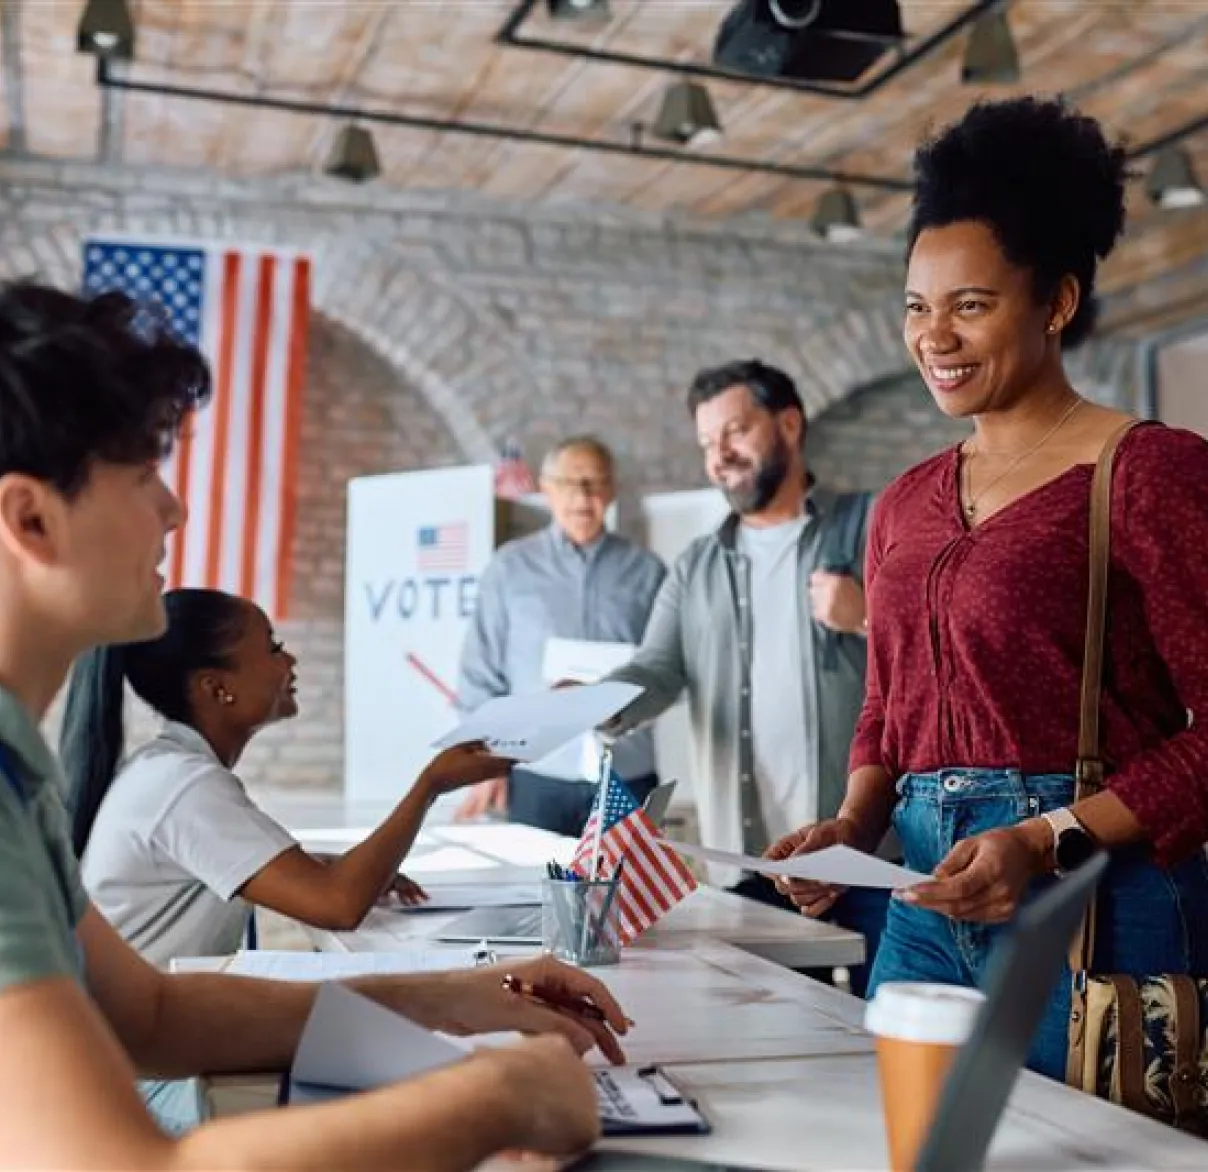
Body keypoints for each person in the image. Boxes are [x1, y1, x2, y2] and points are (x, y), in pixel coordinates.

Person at [0, 282, 625, 1169]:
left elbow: (152, 1015)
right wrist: (500, 1095)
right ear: (31, 517)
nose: (174, 511)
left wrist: (468, 996)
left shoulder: (16, 771)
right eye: (144, 477)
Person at [769, 96, 1208, 1083]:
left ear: (1053, 302)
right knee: (906, 1138)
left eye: (969, 303)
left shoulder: (1143, 472)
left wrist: (1041, 835)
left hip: (1097, 902)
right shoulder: (904, 501)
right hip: (922, 897)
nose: (934, 335)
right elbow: (888, 704)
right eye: (917, 307)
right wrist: (849, 823)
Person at [601, 359, 889, 996]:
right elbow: (657, 667)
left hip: (869, 849)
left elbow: (937, 647)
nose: (720, 455)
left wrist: (865, 613)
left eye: (734, 432)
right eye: (707, 443)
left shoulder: (872, 523)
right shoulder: (698, 564)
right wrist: (597, 701)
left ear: (788, 424)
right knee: (776, 1035)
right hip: (756, 860)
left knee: (881, 1035)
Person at [455, 436, 665, 835]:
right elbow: (479, 674)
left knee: (630, 893)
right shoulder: (509, 569)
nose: (583, 496)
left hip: (626, 774)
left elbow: (668, 670)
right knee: (532, 893)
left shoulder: (648, 572)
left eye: (595, 482)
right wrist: (484, 763)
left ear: (612, 490)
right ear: (545, 487)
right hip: (538, 774)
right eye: (569, 482)